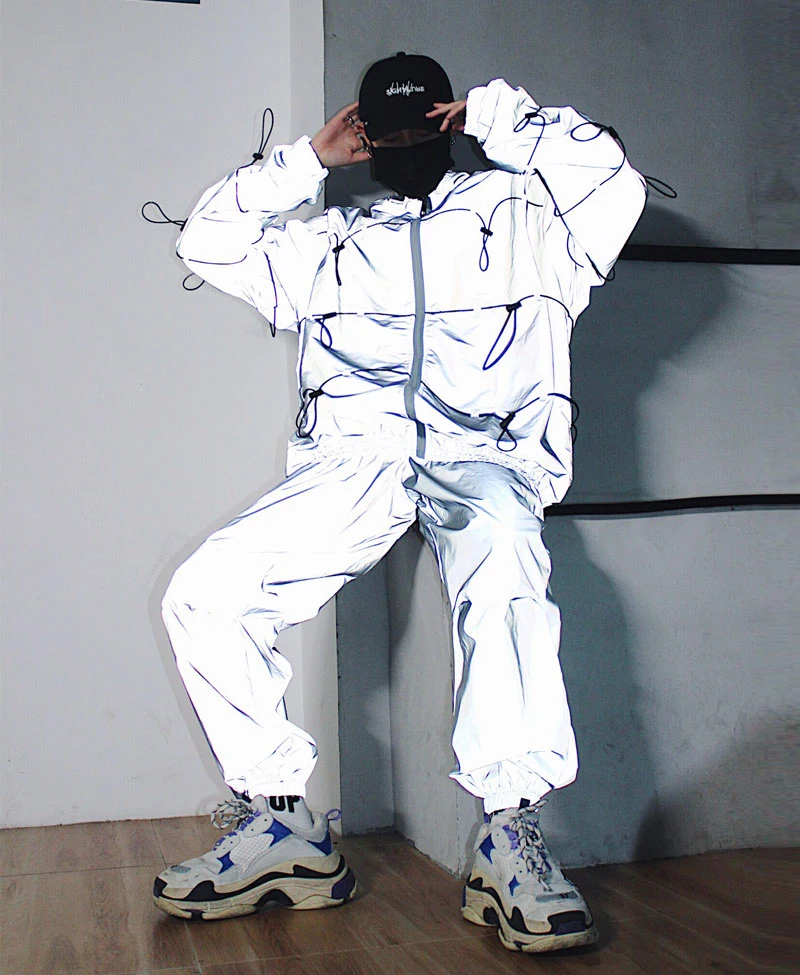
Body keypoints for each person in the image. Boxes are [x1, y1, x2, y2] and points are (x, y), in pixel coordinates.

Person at [153, 52, 646, 953]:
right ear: (367, 139)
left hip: (485, 454)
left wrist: (500, 120)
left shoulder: (531, 216)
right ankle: (283, 823)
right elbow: (207, 242)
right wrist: (305, 163)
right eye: (389, 133)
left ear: (448, 123)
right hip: (357, 462)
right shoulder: (333, 242)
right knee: (204, 592)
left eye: (425, 126)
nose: (407, 145)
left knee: (505, 567)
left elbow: (613, 181)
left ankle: (509, 830)